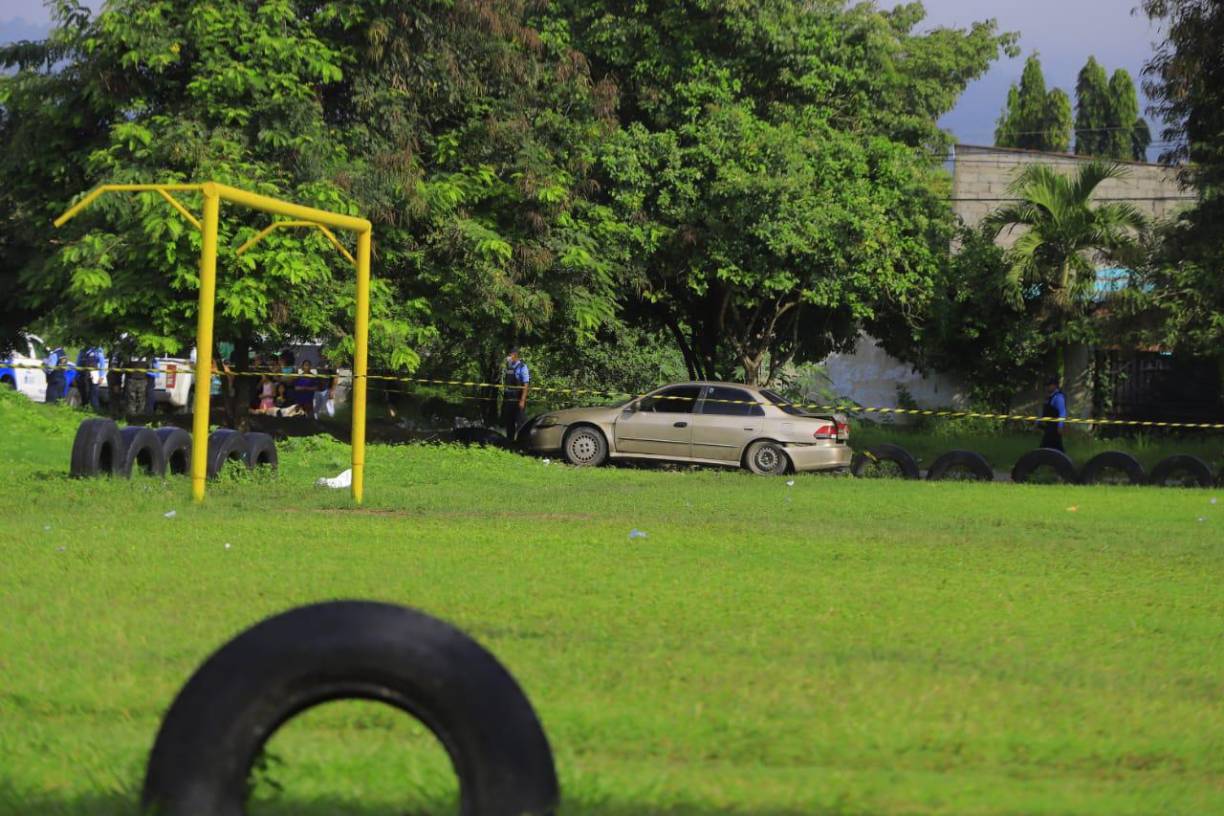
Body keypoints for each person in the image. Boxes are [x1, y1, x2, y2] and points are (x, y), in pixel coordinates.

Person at [501, 346, 530, 442]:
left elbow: (526, 385)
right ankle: (510, 442)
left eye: (509, 355)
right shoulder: (509, 366)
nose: (508, 357)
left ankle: (523, 442)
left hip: (518, 398)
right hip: (508, 398)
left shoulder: (522, 367)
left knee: (520, 422)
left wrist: (522, 401)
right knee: (509, 422)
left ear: (515, 355)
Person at [1040, 376, 1067, 452]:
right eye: (1046, 385)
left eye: (1049, 385)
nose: (1047, 387)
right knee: (1054, 448)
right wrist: (1038, 422)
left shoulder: (1058, 397)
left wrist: (1060, 425)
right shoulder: (1049, 397)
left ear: (1054, 386)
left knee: (1048, 447)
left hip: (1054, 427)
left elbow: (1062, 412)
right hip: (1048, 426)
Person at [76, 345, 106, 410]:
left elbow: (102, 363)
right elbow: (78, 363)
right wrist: (77, 374)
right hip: (83, 374)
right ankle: (85, 407)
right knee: (84, 391)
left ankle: (95, 409)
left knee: (94, 392)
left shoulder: (98, 350)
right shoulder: (82, 351)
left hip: (94, 374)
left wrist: (101, 376)